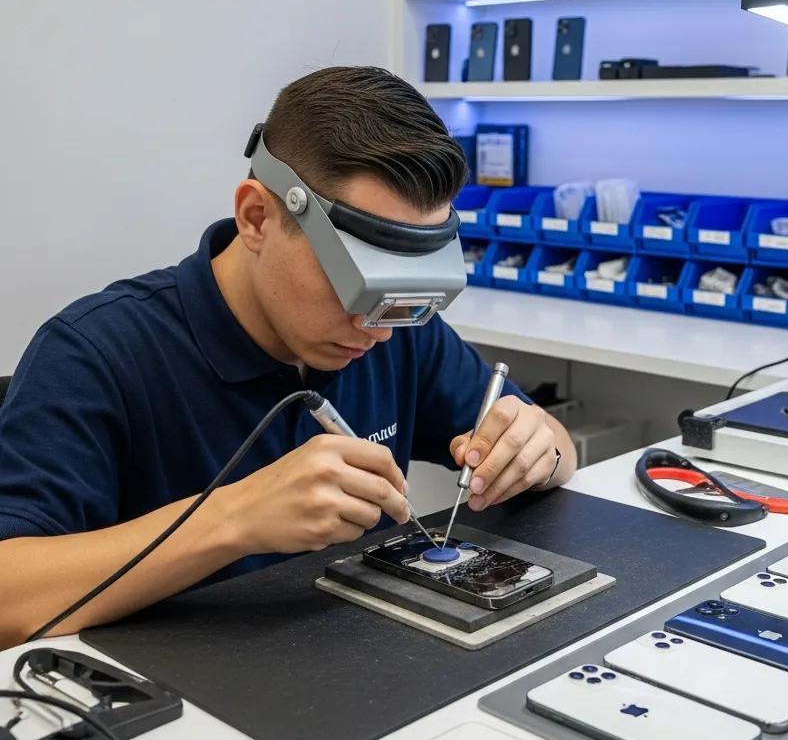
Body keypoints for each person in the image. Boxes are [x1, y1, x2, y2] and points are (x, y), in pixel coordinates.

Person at [0, 66, 576, 649]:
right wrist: (233, 520)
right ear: (256, 217)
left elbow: (554, 445)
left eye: (401, 295)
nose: (376, 330)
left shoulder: (398, 330)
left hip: (352, 673)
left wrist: (538, 452)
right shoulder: (95, 353)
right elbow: (7, 597)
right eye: (353, 285)